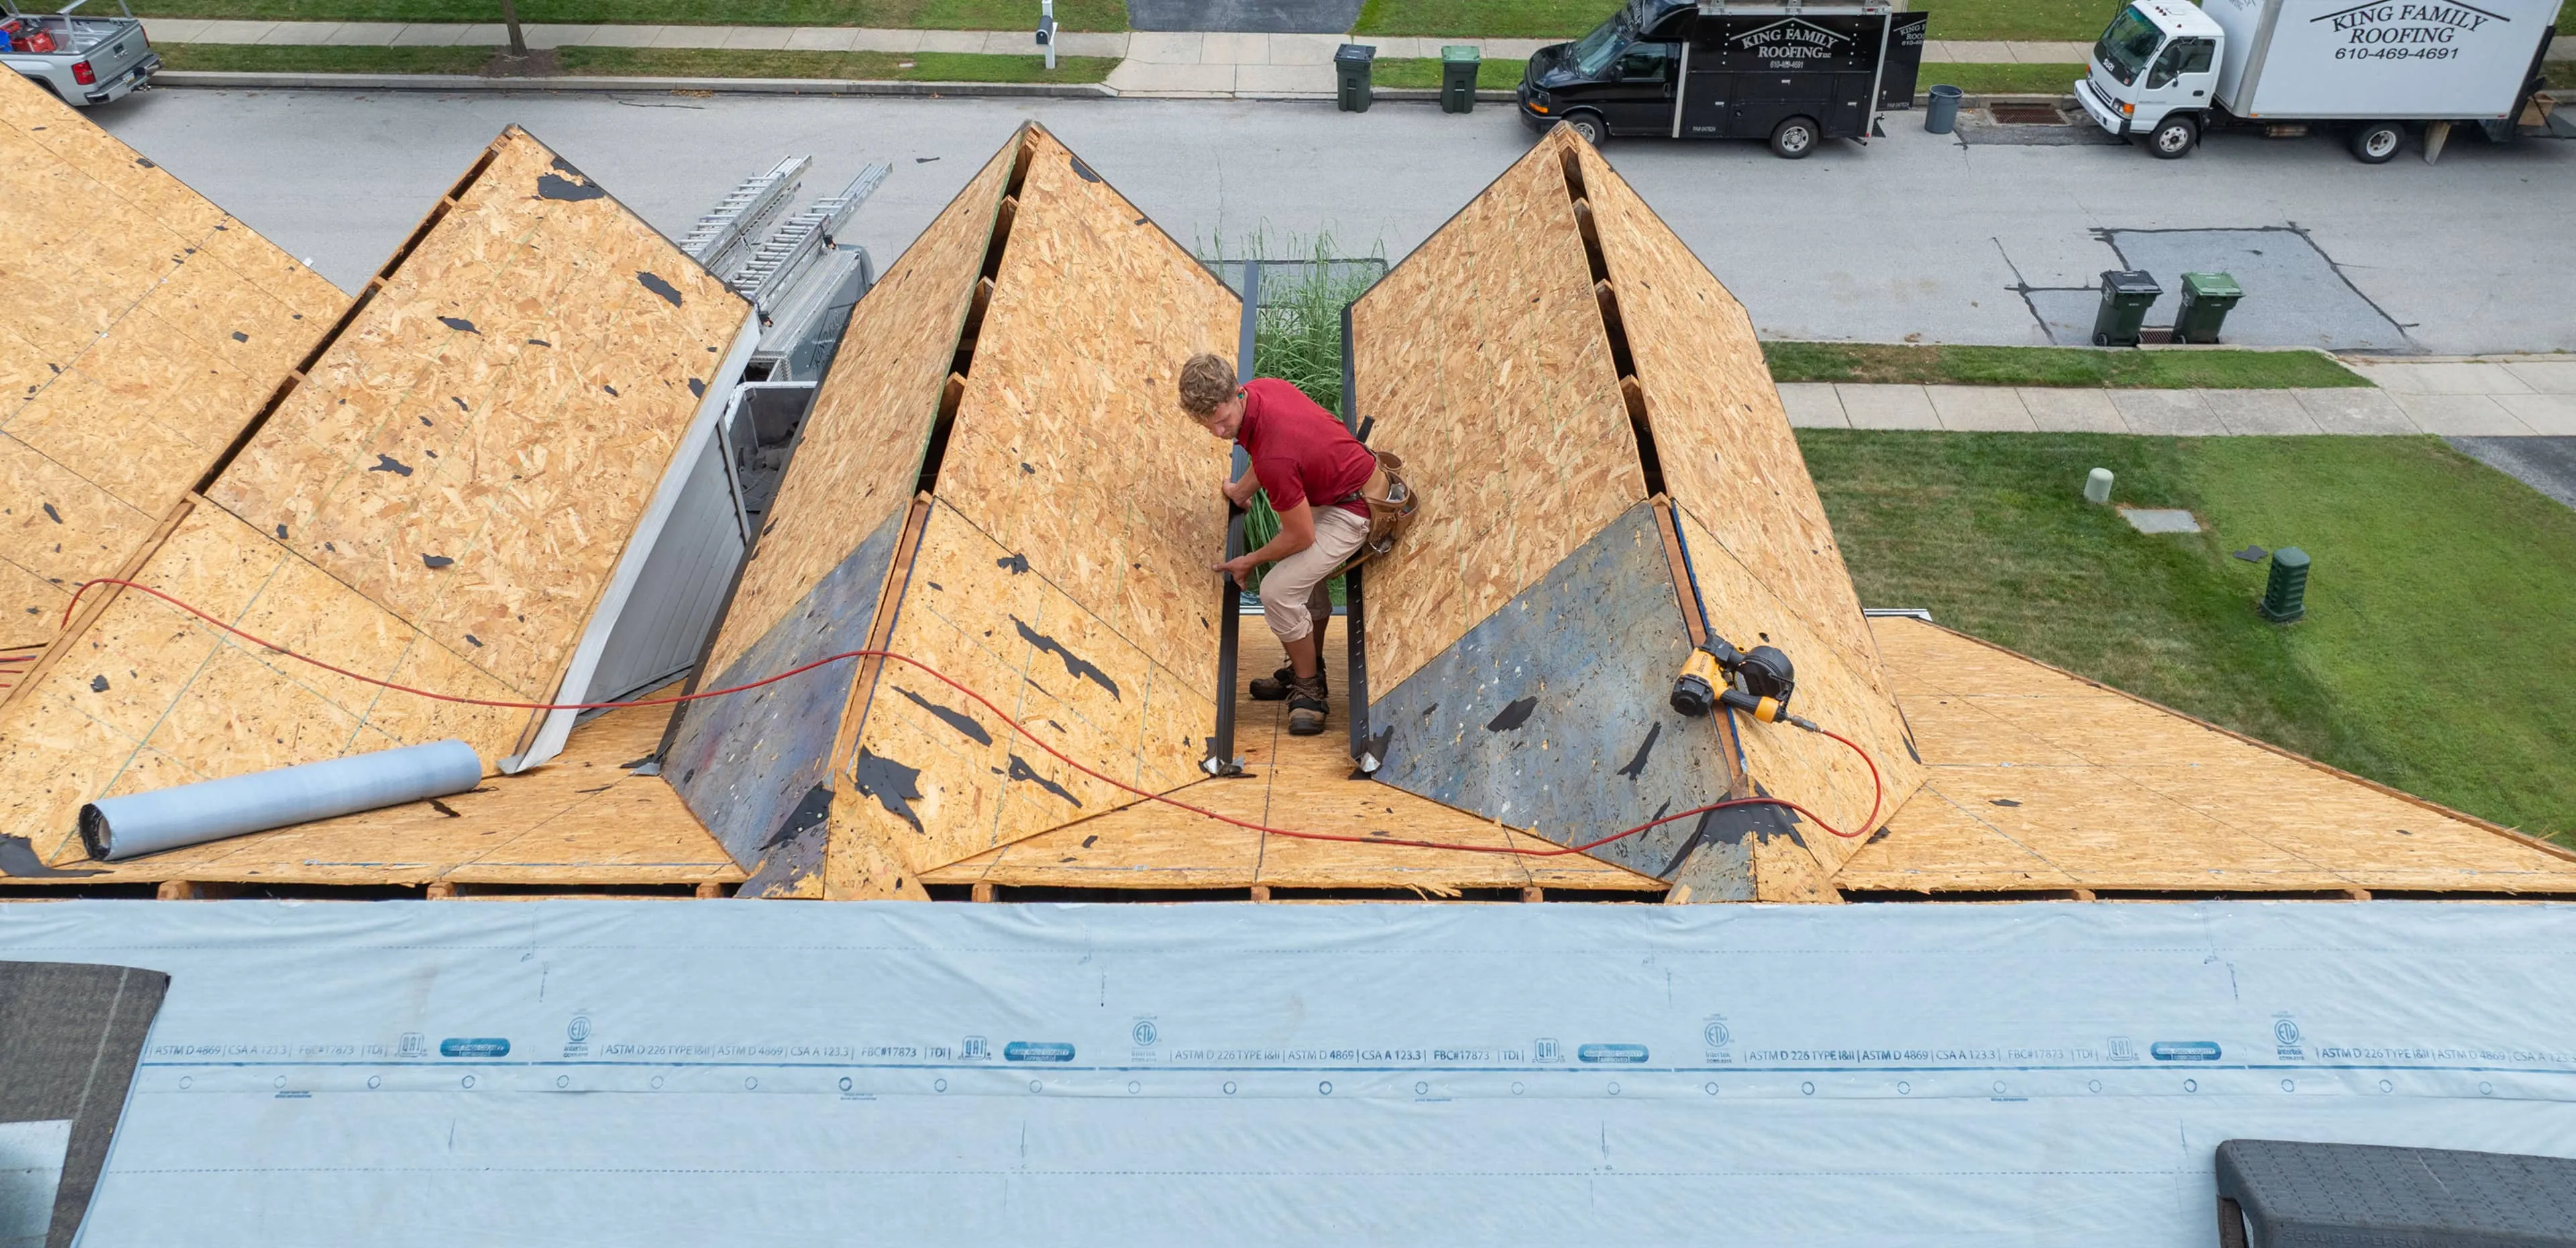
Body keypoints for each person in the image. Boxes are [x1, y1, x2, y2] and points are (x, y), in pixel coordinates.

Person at [1179, 352, 1375, 737]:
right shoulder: (1260, 393)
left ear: (1236, 393)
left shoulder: (1276, 453)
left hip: (1356, 509)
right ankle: (1309, 662)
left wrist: (1249, 560)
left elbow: (1301, 535)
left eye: (1222, 422)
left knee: (1277, 591)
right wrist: (1240, 492)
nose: (1219, 434)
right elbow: (1260, 453)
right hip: (1334, 492)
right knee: (1298, 579)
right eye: (1209, 427)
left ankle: (1311, 688)